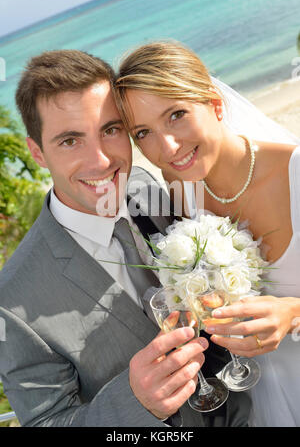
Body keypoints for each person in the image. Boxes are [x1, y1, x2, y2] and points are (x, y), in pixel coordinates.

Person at [0, 49, 250, 427]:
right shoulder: (13, 299)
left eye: (111, 130)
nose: (101, 160)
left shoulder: (147, 191)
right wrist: (135, 403)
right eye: (70, 140)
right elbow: (45, 421)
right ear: (37, 152)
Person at [114, 40, 300, 427]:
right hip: (261, 396)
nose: (166, 147)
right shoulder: (183, 192)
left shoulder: (295, 171)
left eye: (177, 114)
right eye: (143, 132)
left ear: (215, 104)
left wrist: (294, 312)